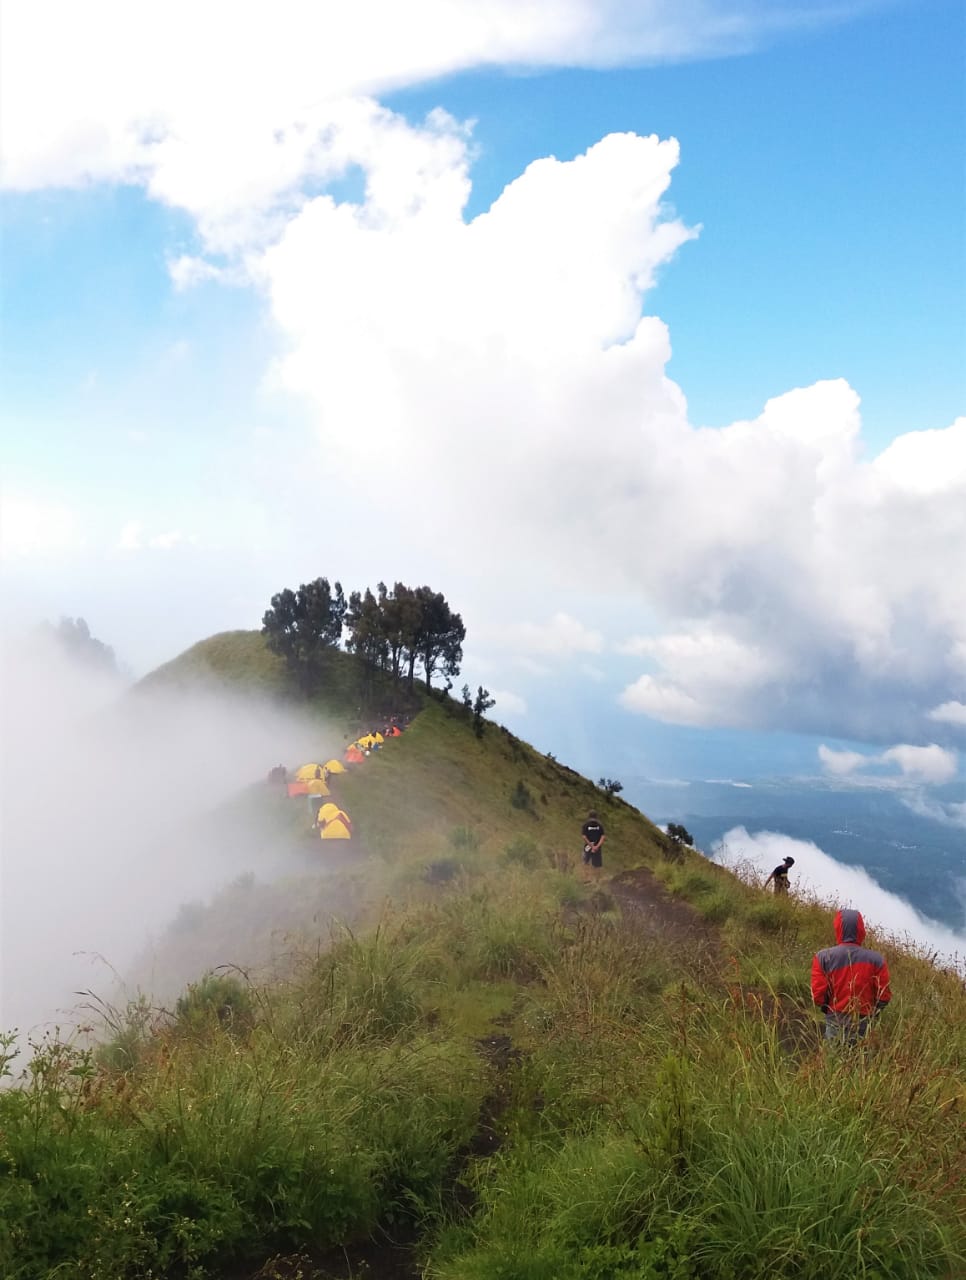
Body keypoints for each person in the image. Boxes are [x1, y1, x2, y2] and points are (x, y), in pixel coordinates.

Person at [811, 908, 891, 1044]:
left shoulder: (822, 957)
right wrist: (871, 1012)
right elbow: (884, 997)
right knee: (861, 1061)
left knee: (833, 1059)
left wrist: (828, 1008)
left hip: (835, 1018)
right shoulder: (877, 960)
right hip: (864, 1021)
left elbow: (818, 996)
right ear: (861, 930)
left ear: (837, 928)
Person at [580, 810, 605, 883]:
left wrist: (591, 845)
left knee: (585, 862)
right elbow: (603, 837)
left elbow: (584, 837)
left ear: (589, 816)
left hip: (588, 846)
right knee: (597, 864)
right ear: (596, 817)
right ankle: (597, 880)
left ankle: (586, 879)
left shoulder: (586, 825)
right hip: (597, 847)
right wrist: (597, 846)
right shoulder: (599, 825)